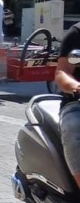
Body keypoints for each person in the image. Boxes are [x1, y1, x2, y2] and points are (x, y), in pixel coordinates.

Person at [55, 22, 80, 188]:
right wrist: (76, 87)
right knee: (74, 127)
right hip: (76, 103)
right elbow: (62, 72)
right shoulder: (76, 34)